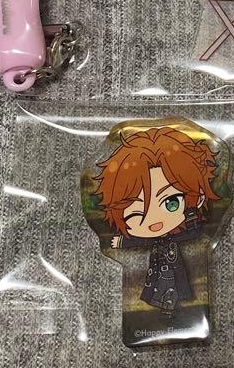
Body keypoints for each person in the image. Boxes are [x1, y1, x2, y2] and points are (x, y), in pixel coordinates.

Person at [92, 125, 221, 314]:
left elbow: (193, 232)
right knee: (158, 290)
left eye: (171, 203)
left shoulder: (178, 234)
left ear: (198, 196)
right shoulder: (155, 240)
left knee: (170, 290)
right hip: (158, 270)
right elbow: (141, 240)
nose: (154, 220)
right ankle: (166, 311)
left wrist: (192, 213)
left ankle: (170, 311)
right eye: (136, 214)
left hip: (172, 270)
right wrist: (122, 241)